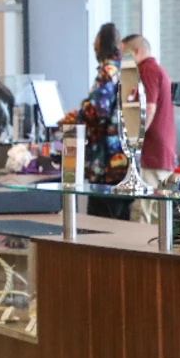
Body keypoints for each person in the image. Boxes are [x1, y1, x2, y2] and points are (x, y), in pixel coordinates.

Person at [66, 23, 129, 220]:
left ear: (101, 44)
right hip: (123, 158)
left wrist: (75, 117)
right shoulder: (126, 69)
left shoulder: (107, 72)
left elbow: (97, 110)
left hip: (105, 161)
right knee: (122, 222)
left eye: (95, 41)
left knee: (101, 223)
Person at [120, 34, 177, 222]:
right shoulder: (158, 71)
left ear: (136, 52)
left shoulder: (146, 71)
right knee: (157, 216)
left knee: (142, 213)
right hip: (163, 153)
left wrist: (135, 142)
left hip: (151, 155)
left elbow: (148, 109)